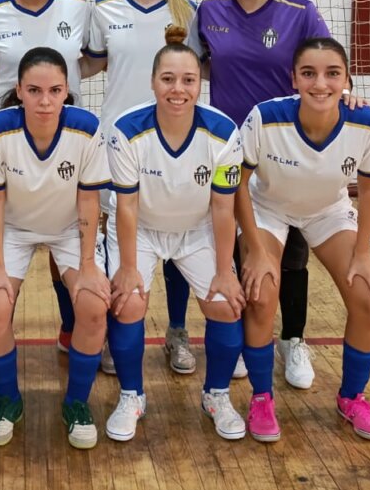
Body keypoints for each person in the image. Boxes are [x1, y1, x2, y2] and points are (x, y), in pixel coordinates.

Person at [188, 0, 335, 390]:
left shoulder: (299, 12)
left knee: (291, 253)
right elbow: (195, 64)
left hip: (285, 147)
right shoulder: (210, 9)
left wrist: (346, 92)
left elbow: (327, 63)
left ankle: (292, 340)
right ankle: (239, 339)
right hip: (230, 149)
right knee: (234, 247)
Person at [236, 37, 370, 442]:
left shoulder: (365, 122)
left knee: (368, 298)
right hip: (268, 208)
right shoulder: (265, 117)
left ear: (347, 80)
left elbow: (369, 190)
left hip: (328, 211)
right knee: (260, 293)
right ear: (294, 79)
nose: (320, 84)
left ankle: (352, 397)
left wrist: (363, 253)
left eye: (332, 74)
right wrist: (255, 249)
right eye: (309, 73)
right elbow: (238, 185)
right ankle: (261, 397)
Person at [103, 34, 248, 442]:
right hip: (141, 228)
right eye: (168, 79)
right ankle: (131, 396)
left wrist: (225, 271)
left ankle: (217, 395)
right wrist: (127, 267)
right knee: (129, 303)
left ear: (199, 83)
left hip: (197, 229)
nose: (178, 89)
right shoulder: (126, 130)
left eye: (188, 80)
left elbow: (224, 208)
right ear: (153, 83)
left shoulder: (224, 132)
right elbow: (126, 207)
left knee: (225, 305)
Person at [0, 47, 112, 449]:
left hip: (68, 230)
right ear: (19, 90)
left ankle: (77, 403)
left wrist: (88, 265)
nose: (45, 101)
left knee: (93, 306)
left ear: (67, 91)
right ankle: (7, 401)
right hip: (13, 230)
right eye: (34, 90)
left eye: (54, 91)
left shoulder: (86, 128)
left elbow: (89, 199)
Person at [82, 0, 200, 375]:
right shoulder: (104, 9)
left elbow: (206, 71)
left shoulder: (188, 13)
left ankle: (177, 330)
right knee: (121, 236)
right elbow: (89, 64)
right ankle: (119, 331)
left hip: (175, 140)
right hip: (120, 141)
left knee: (176, 229)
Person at [0, 0, 90, 351]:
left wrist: (60, 95)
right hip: (9, 144)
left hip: (64, 138)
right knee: (8, 238)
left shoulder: (77, 6)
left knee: (62, 233)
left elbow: (93, 60)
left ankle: (72, 326)